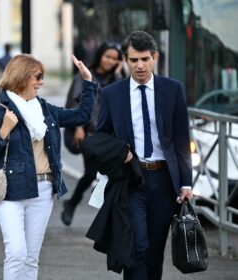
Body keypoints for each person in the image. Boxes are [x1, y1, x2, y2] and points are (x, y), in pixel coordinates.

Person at [0, 53, 96, 280]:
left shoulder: (44, 108)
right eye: (38, 77)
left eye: (42, 77)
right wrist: (3, 131)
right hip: (11, 190)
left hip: (43, 190)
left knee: (31, 258)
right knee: (16, 253)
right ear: (22, 77)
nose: (41, 82)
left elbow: (81, 115)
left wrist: (87, 82)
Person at [95, 31, 193, 279]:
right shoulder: (112, 94)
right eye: (134, 60)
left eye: (145, 59)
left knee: (154, 252)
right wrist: (121, 155)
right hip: (130, 180)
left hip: (163, 181)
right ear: (125, 60)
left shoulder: (173, 90)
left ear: (155, 58)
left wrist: (186, 183)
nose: (140, 65)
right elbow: (101, 138)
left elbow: (182, 140)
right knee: (137, 247)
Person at [61, 43, 124, 226]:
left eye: (115, 58)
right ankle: (72, 204)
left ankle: (80, 206)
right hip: (88, 133)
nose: (111, 61)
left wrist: (119, 72)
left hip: (108, 135)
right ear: (99, 56)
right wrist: (79, 127)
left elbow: (122, 98)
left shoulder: (117, 78)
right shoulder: (85, 75)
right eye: (108, 57)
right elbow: (75, 102)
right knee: (90, 173)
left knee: (108, 174)